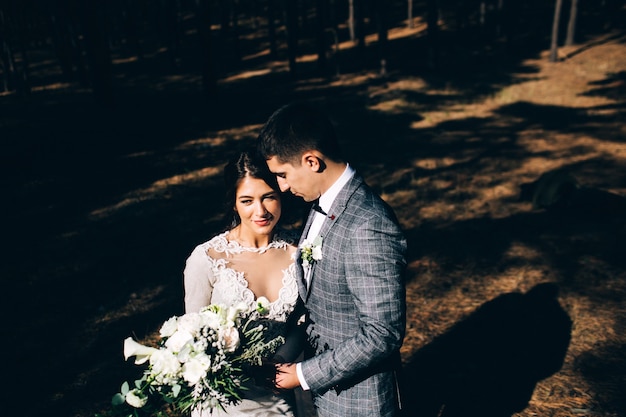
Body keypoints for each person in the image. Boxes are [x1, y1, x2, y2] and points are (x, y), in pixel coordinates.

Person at [257, 102, 408, 417]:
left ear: (312, 161)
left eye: (283, 175)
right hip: (326, 396)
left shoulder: (368, 223)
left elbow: (383, 332)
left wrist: (302, 374)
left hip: (360, 402)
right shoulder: (318, 203)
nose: (282, 187)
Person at [183, 151, 305, 416]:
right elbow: (191, 336)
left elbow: (301, 325)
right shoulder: (207, 259)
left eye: (268, 197)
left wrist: (279, 363)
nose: (260, 211)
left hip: (277, 396)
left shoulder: (300, 251)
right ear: (234, 203)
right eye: (247, 200)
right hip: (223, 401)